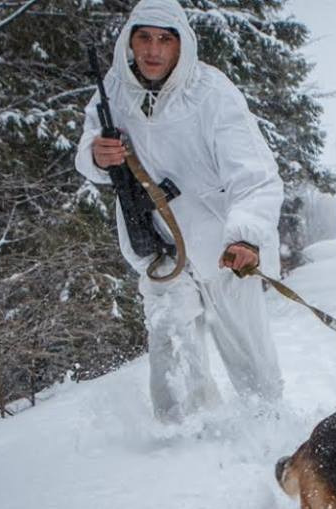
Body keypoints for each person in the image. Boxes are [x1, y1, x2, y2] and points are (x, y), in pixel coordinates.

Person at [75, 0, 283, 422]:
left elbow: (256, 173)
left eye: (165, 39)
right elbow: (89, 156)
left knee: (250, 356)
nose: (153, 50)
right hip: (161, 248)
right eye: (144, 38)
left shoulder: (211, 92)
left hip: (224, 246)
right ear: (129, 40)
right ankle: (181, 441)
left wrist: (245, 234)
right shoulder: (112, 91)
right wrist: (97, 157)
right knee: (170, 343)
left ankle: (269, 430)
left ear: (181, 45)